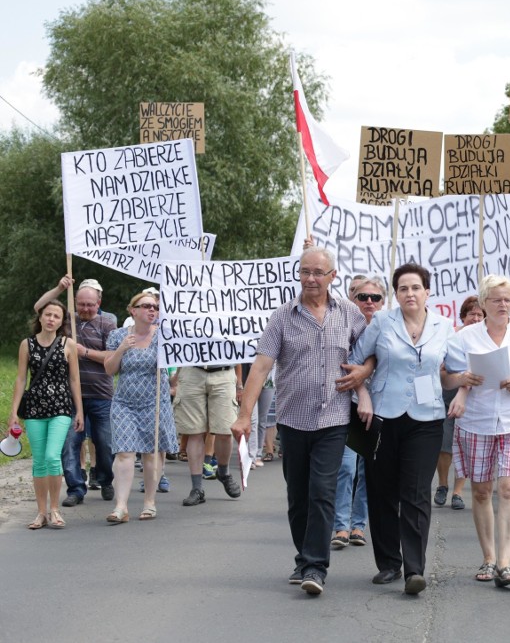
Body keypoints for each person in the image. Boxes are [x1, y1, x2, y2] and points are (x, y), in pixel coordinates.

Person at [232, 246, 368, 596]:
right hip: (293, 420)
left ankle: (314, 566)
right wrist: (245, 415)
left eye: (317, 272)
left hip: (335, 419)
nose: (310, 278)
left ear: (332, 277)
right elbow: (261, 367)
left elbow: (371, 354)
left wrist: (364, 373)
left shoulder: (350, 314)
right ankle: (304, 556)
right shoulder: (282, 317)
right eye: (305, 271)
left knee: (323, 492)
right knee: (298, 497)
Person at [350, 263, 467, 595]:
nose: (410, 294)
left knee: (415, 493)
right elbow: (356, 361)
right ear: (396, 294)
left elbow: (457, 371)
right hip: (382, 416)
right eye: (403, 288)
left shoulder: (445, 327)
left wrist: (463, 390)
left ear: (427, 292)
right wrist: (363, 396)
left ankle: (414, 568)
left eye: (416, 287)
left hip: (426, 418)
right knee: (381, 490)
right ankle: (389, 563)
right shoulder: (383, 322)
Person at [443, 275, 510, 587]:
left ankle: (505, 562)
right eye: (496, 299)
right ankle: (488, 558)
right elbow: (447, 379)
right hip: (477, 420)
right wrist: (462, 378)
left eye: (507, 299)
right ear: (483, 303)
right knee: (481, 491)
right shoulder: (465, 336)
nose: (503, 305)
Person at [34, 276, 117, 507]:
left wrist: (85, 352)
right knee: (69, 443)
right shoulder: (67, 320)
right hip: (68, 396)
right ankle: (75, 489)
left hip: (101, 394)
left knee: (105, 443)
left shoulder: (107, 324)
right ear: (76, 302)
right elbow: (39, 308)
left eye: (90, 304)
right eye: (81, 304)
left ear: (99, 303)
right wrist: (60, 288)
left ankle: (105, 479)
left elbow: (114, 357)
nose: (86, 308)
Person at [103, 292, 179, 523]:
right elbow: (109, 369)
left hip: (155, 403)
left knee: (151, 453)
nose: (152, 310)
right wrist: (122, 349)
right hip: (125, 403)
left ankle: (149, 502)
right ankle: (121, 506)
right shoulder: (117, 336)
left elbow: (173, 375)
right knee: (124, 452)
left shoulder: (165, 336)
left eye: (155, 306)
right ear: (132, 310)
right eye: (146, 306)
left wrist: (179, 371)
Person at [9, 300, 84, 529]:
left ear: (62, 322)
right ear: (40, 317)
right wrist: (13, 411)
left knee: (53, 456)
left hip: (61, 407)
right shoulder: (27, 345)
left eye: (57, 316)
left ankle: (55, 509)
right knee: (39, 461)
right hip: (34, 409)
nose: (51, 319)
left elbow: (74, 379)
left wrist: (79, 410)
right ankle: (41, 512)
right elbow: (21, 379)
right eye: (48, 315)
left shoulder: (67, 344)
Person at [332, 276, 385, 549]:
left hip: (381, 410)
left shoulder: (389, 329)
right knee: (345, 467)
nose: (369, 302)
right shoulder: (342, 326)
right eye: (362, 297)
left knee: (368, 471)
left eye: (375, 297)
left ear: (383, 302)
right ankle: (340, 526)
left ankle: (358, 526)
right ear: (353, 300)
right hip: (347, 406)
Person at [434, 295, 482, 511]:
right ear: (463, 316)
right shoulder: (452, 336)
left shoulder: (487, 339)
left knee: (463, 446)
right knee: (444, 444)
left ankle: (458, 492)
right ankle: (443, 484)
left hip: (473, 399)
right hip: (448, 394)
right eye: (471, 313)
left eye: (480, 314)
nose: (475, 317)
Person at [172, 364, 243, 506]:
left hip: (223, 373)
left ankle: (223, 472)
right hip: (192, 372)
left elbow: (236, 344)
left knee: (225, 430)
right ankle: (197, 488)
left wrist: (239, 384)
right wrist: (177, 375)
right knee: (194, 432)